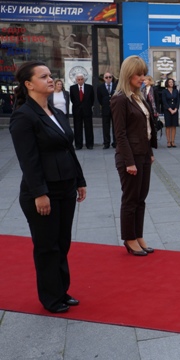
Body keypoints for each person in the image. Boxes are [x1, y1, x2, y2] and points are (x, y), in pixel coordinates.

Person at [10, 61, 87, 313]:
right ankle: (50, 298)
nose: (50, 79)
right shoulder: (24, 116)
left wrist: (80, 180)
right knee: (47, 247)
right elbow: (28, 161)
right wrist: (40, 194)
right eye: (43, 77)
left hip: (65, 187)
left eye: (50, 75)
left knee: (62, 243)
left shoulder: (57, 113)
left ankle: (61, 291)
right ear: (29, 84)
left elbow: (68, 148)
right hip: (43, 192)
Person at [110, 55, 158, 256]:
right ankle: (129, 238)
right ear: (128, 74)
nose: (142, 77)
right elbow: (120, 134)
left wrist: (150, 152)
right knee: (130, 199)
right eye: (138, 74)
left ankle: (138, 235)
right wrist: (129, 161)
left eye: (144, 73)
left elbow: (145, 128)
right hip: (130, 157)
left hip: (144, 154)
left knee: (141, 198)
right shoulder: (119, 99)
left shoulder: (138, 96)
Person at [69, 73, 95, 150]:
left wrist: (88, 106)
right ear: (76, 80)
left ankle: (89, 144)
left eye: (81, 79)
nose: (80, 81)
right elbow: (72, 99)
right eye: (78, 79)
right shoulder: (72, 88)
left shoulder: (89, 87)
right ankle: (78, 145)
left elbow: (92, 99)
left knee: (89, 128)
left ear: (84, 79)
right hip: (77, 111)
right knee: (77, 128)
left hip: (87, 110)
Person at [97, 72, 117, 149]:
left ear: (112, 78)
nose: (108, 79)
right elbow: (99, 98)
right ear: (104, 79)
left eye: (110, 77)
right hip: (105, 109)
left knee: (115, 126)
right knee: (106, 127)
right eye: (106, 77)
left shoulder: (116, 86)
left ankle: (115, 142)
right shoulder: (100, 87)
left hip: (115, 109)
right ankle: (106, 143)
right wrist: (104, 104)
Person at [162, 78, 180, 148]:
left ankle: (173, 141)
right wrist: (170, 109)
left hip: (175, 110)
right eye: (169, 82)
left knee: (174, 126)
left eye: (172, 82)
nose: (171, 83)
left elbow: (178, 100)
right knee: (168, 126)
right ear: (167, 83)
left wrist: (176, 109)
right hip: (167, 110)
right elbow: (164, 101)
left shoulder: (176, 91)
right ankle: (168, 141)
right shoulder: (164, 91)